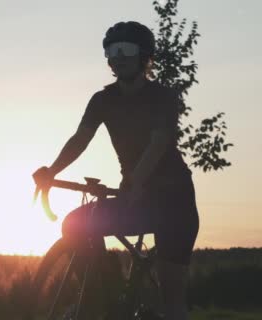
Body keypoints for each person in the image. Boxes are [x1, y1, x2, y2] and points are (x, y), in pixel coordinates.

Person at [32, 21, 199, 320]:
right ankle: (101, 296)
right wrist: (51, 171)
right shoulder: (102, 100)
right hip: (134, 195)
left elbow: (158, 143)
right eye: (112, 50)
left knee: (172, 301)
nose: (118, 56)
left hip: (174, 201)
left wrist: (135, 180)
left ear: (145, 56)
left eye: (127, 49)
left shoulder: (163, 97)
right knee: (74, 225)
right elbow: (80, 139)